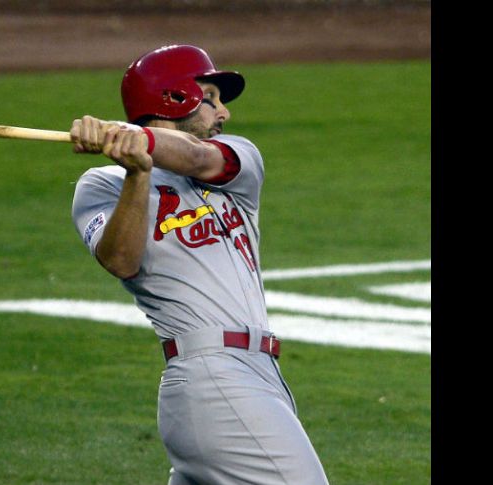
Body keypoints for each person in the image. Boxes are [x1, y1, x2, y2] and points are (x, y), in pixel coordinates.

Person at [69, 45, 329, 485]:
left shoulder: (238, 159)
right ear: (174, 99)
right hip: (210, 376)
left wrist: (137, 140)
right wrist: (137, 172)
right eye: (211, 97)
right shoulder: (102, 184)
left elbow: (194, 156)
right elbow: (121, 261)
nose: (223, 112)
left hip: (261, 377)